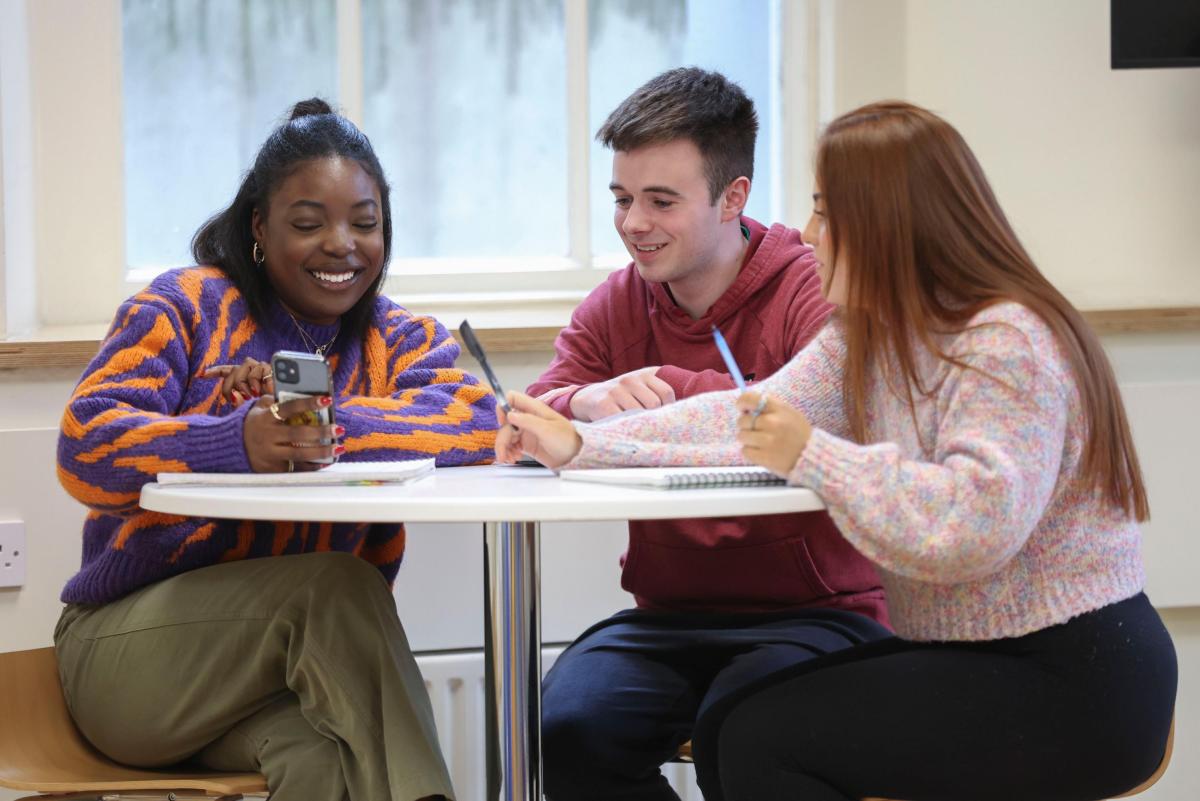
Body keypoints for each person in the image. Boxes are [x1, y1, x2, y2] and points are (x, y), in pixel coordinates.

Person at [497, 100, 1177, 801]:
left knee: (761, 738)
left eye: (826, 210)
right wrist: (582, 441)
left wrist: (812, 454)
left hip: (1075, 673)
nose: (807, 232)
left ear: (888, 225)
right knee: (738, 727)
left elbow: (974, 526)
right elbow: (742, 422)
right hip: (967, 654)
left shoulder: (1003, 341)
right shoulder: (869, 336)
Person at [54, 99, 498, 801]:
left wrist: (321, 428)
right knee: (332, 585)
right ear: (260, 227)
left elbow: (475, 422)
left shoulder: (396, 337)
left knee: (327, 760)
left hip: (272, 683)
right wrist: (232, 439)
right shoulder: (187, 305)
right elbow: (86, 440)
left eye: (365, 222)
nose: (342, 245)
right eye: (307, 223)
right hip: (132, 657)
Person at [528, 67, 891, 801]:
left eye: (662, 200)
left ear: (734, 197)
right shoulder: (619, 300)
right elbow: (536, 412)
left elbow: (798, 417)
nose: (634, 223)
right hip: (669, 618)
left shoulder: (813, 285)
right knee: (567, 729)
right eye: (623, 199)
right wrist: (584, 397)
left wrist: (656, 396)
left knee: (747, 730)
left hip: (821, 613)